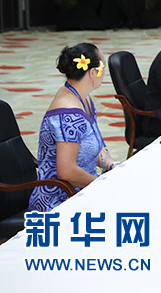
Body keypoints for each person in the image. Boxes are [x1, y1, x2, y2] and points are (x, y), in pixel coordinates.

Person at [29, 44, 120, 211]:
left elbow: (88, 146)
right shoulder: (68, 113)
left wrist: (113, 165)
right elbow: (67, 171)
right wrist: (101, 185)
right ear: (93, 72)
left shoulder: (83, 98)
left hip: (82, 189)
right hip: (60, 199)